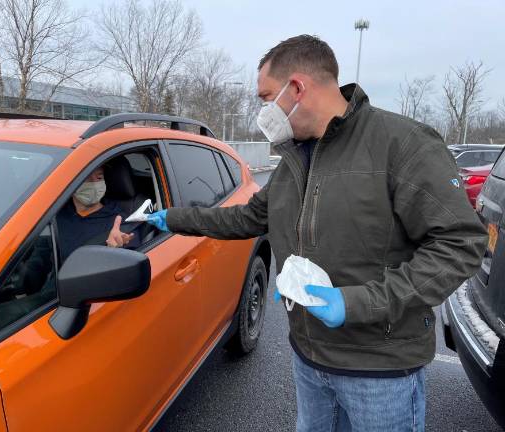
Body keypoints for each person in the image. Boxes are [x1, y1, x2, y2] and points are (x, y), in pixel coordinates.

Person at [146, 35, 488, 431]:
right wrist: (172, 219)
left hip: (378, 370)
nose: (262, 110)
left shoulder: (402, 144)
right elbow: (245, 218)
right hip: (308, 359)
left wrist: (358, 302)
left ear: (296, 88)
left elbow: (461, 243)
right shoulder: (294, 159)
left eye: (265, 96)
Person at [56, 165, 137, 261]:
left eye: (99, 178)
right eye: (86, 178)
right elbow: (40, 254)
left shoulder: (121, 222)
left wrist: (116, 250)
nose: (94, 184)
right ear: (71, 183)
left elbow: (132, 263)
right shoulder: (56, 212)